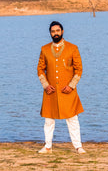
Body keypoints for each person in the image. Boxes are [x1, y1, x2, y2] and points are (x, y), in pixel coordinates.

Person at [37, 21, 86, 154]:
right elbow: (40, 70)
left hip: (67, 91)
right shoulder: (45, 49)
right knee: (48, 120)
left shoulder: (72, 48)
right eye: (53, 31)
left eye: (57, 31)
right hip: (50, 91)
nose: (55, 33)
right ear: (50, 33)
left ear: (62, 31)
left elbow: (79, 70)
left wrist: (71, 86)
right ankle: (47, 146)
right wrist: (46, 86)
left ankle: (78, 147)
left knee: (73, 119)